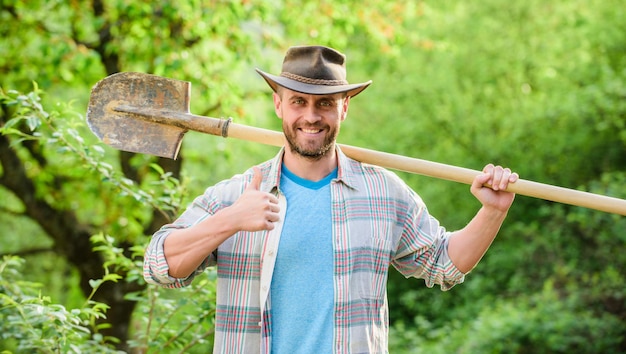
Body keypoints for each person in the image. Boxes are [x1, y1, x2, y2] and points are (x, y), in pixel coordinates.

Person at [143, 45, 518, 353]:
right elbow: (160, 264)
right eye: (298, 102)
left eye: (324, 103)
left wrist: (493, 211)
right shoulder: (237, 195)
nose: (310, 116)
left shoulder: (383, 193)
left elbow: (443, 263)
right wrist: (229, 220)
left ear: (344, 107)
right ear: (278, 105)